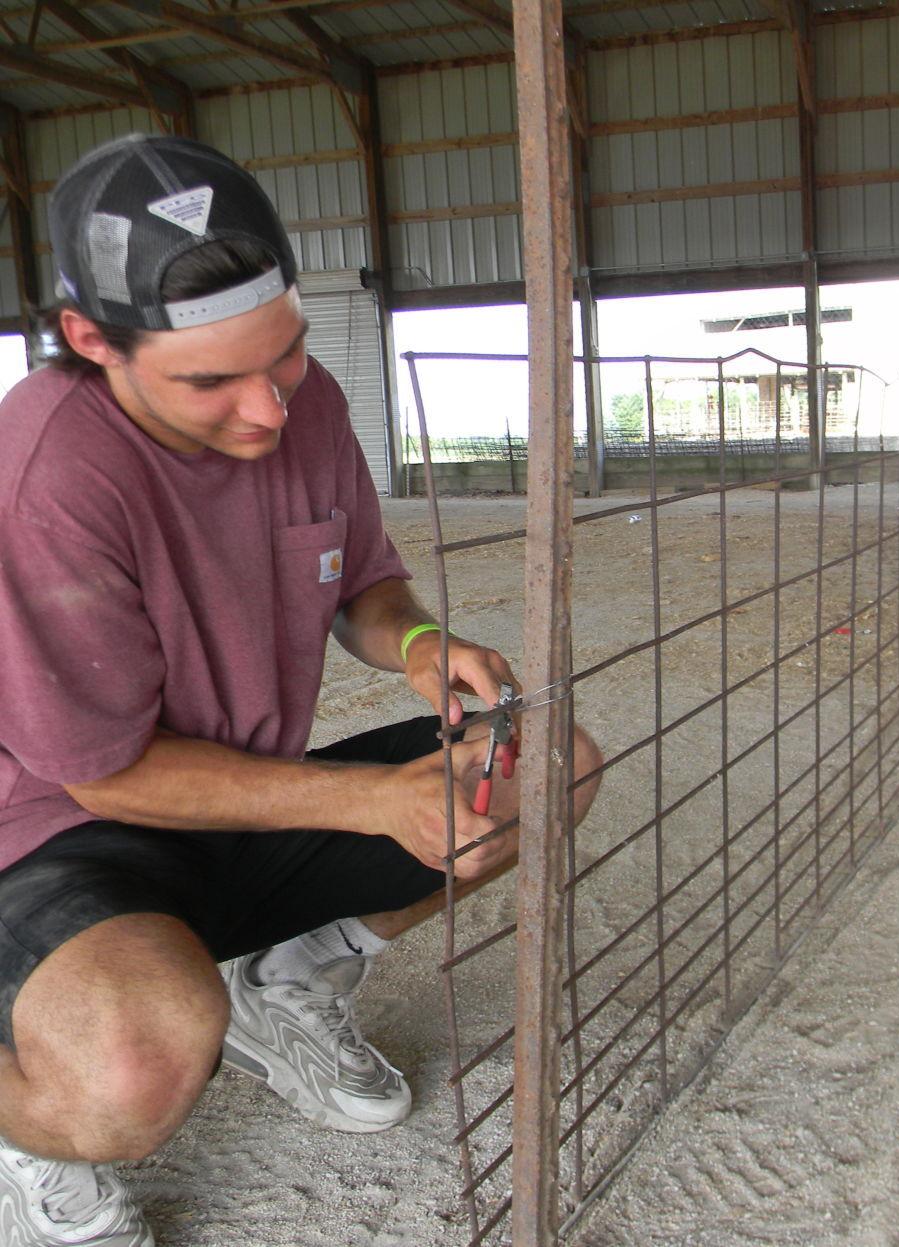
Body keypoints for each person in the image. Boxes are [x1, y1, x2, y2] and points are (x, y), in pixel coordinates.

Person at [0, 134, 601, 1247]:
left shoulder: (305, 399)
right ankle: (33, 1129)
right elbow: (104, 766)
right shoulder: (47, 471)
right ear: (92, 341)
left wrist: (423, 643)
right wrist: (374, 801)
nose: (270, 410)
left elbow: (363, 582)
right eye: (210, 380)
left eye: (283, 356)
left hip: (249, 795)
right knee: (132, 1069)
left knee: (544, 767)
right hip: (60, 829)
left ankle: (290, 982)